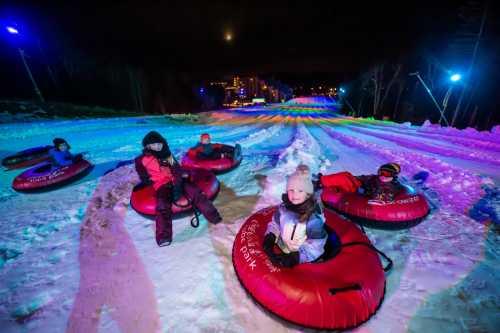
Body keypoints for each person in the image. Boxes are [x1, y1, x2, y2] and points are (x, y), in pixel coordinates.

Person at [135, 131, 222, 247]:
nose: (157, 147)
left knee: (195, 192)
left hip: (175, 179)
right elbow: (143, 175)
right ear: (147, 146)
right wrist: (148, 182)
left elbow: (176, 168)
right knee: (162, 204)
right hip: (160, 184)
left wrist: (178, 185)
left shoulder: (167, 155)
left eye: (159, 144)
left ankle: (214, 217)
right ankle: (164, 236)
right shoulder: (141, 160)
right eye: (153, 145)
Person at [262, 169, 327, 268]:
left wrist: (296, 257)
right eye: (291, 190)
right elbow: (275, 224)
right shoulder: (284, 207)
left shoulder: (313, 219)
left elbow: (316, 246)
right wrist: (271, 236)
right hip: (283, 248)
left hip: (303, 259)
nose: (294, 195)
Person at [318, 163, 405, 202]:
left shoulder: (390, 187)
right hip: (360, 187)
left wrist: (364, 192)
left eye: (387, 174)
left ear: (394, 175)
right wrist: (352, 178)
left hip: (360, 194)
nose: (383, 176)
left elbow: (381, 199)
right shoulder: (376, 178)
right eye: (381, 172)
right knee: (346, 174)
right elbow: (363, 178)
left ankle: (319, 183)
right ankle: (322, 180)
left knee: (344, 179)